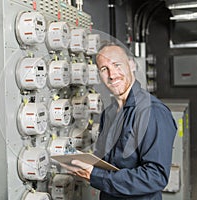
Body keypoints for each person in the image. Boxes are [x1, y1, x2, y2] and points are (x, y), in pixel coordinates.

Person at [62, 43, 177, 200]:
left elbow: (155, 177)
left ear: (131, 64)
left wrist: (95, 175)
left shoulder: (153, 112)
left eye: (117, 65)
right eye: (104, 69)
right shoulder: (109, 113)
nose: (112, 74)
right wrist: (82, 162)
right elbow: (110, 162)